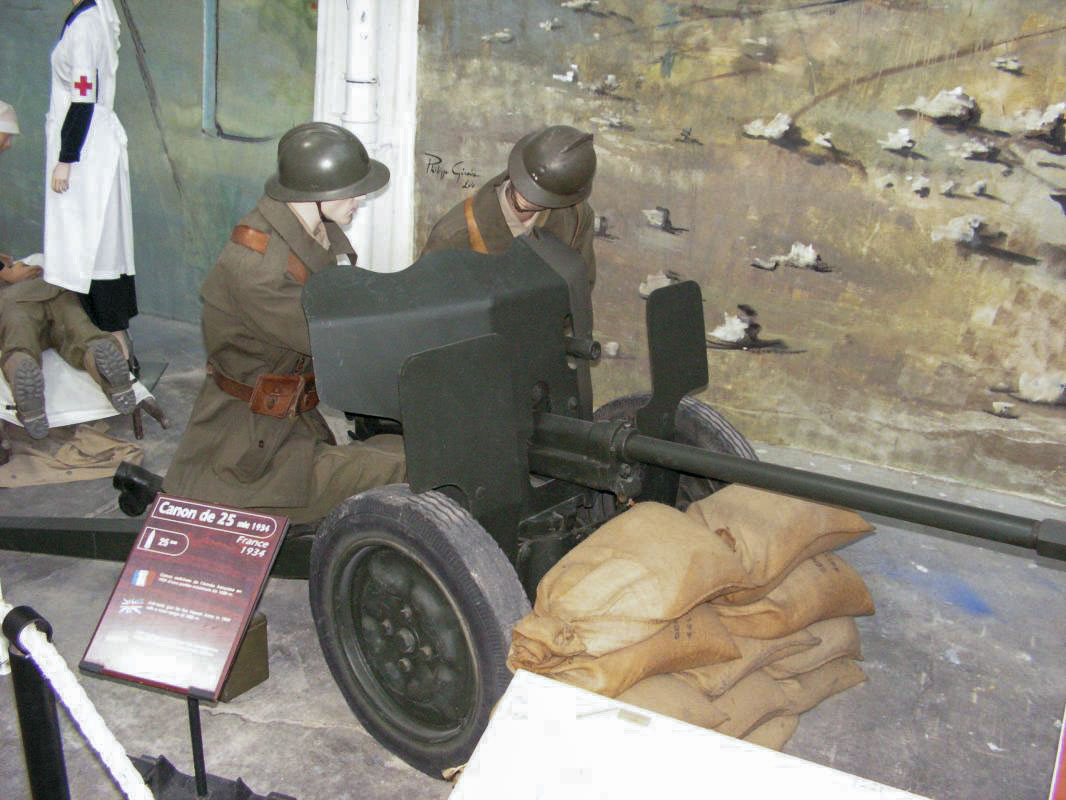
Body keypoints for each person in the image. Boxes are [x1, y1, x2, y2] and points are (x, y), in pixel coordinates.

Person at [164, 122, 405, 523]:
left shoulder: (308, 231)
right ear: (316, 192)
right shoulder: (261, 269)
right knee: (412, 466)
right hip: (249, 454)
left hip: (287, 425)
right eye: (352, 188)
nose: (360, 197)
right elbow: (340, 346)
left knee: (402, 452)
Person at [0, 99, 135, 439]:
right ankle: (96, 357)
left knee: (25, 328)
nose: (9, 144)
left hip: (18, 292)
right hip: (15, 291)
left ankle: (23, 371)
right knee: (68, 320)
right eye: (6, 136)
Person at [44, 0, 138, 349]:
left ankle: (110, 347)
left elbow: (83, 93)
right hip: (92, 145)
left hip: (85, 153)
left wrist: (67, 157)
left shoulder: (85, 26)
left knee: (88, 247)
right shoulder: (92, 19)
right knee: (96, 245)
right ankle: (112, 348)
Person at [420, 124, 598, 284]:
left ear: (564, 198)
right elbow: (427, 306)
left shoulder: (576, 218)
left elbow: (579, 288)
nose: (526, 194)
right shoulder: (454, 235)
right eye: (527, 180)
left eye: (541, 192)